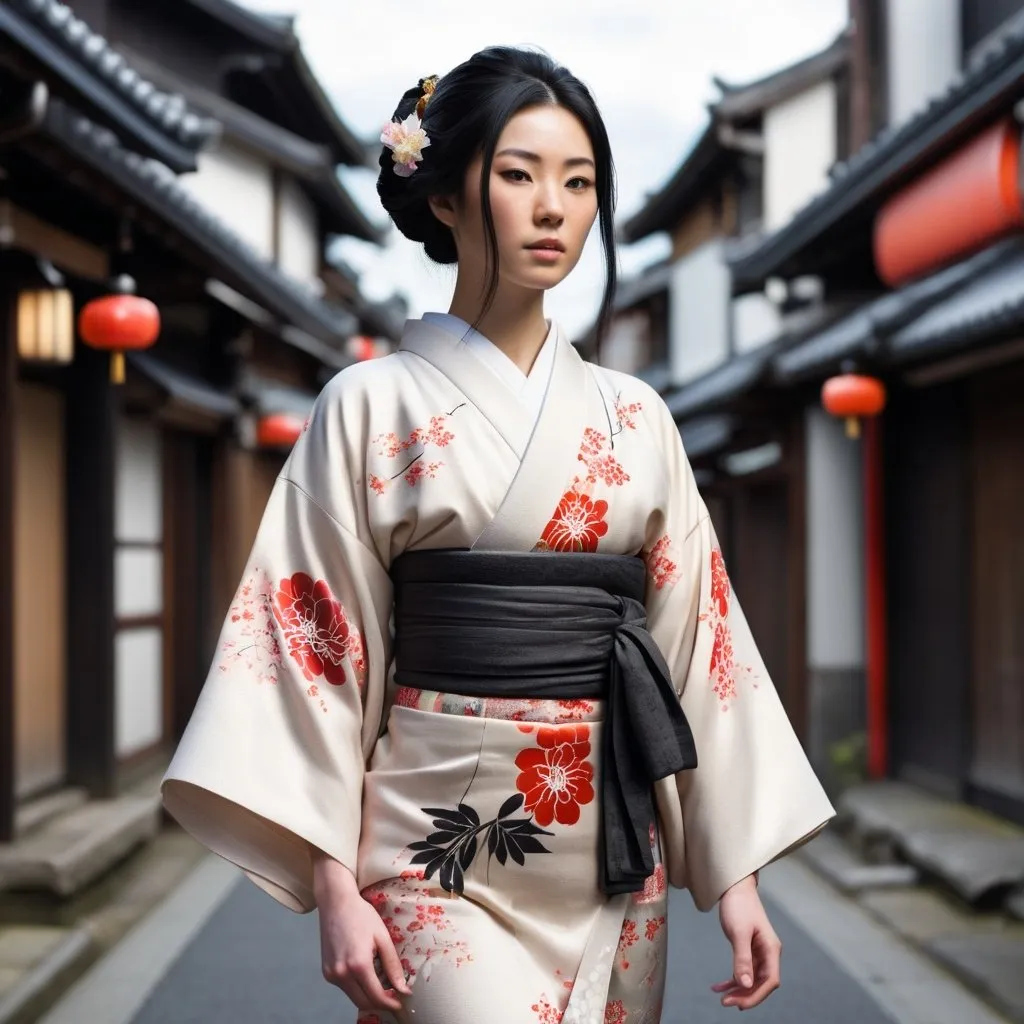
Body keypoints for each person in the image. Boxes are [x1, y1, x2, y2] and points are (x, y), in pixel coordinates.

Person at [162, 46, 835, 1024]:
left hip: (612, 838)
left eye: (580, 182)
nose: (553, 206)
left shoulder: (637, 418)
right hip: (430, 846)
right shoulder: (369, 405)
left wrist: (735, 874)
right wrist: (334, 879)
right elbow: (309, 644)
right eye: (518, 174)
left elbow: (700, 639)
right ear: (445, 196)